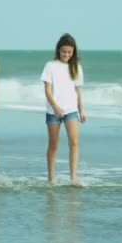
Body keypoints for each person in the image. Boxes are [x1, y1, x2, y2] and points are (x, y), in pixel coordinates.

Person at [40, 33, 87, 185]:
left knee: (74, 142)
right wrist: (55, 107)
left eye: (69, 52)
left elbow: (77, 91)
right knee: (53, 144)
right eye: (64, 51)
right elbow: (47, 90)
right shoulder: (50, 66)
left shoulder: (76, 68)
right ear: (58, 50)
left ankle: (73, 177)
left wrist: (82, 110)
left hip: (71, 110)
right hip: (53, 111)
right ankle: (51, 178)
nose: (66, 54)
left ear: (73, 52)